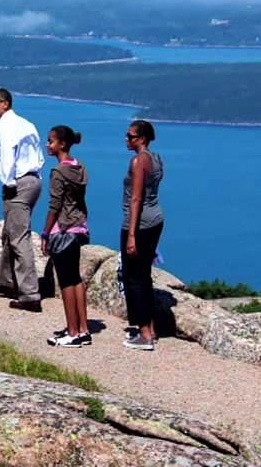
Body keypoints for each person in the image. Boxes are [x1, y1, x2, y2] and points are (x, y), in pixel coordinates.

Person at [0, 88, 45, 311]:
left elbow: (8, 157)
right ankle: (7, 281)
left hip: (18, 183)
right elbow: (38, 155)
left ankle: (29, 294)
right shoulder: (26, 124)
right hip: (33, 181)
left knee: (19, 238)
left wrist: (8, 183)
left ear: (5, 104)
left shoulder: (6, 126)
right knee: (10, 232)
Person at [40, 126, 91, 347]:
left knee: (66, 282)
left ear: (62, 144)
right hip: (79, 227)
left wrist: (45, 233)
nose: (47, 145)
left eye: (50, 141)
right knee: (76, 279)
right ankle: (83, 329)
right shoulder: (79, 167)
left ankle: (72, 332)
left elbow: (55, 206)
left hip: (63, 230)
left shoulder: (59, 172)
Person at [121, 119, 164, 350]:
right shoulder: (156, 159)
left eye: (131, 136)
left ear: (142, 139)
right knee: (144, 275)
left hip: (139, 224)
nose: (127, 140)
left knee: (133, 277)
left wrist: (131, 236)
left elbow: (136, 198)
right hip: (156, 219)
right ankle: (151, 327)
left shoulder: (138, 161)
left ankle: (145, 334)